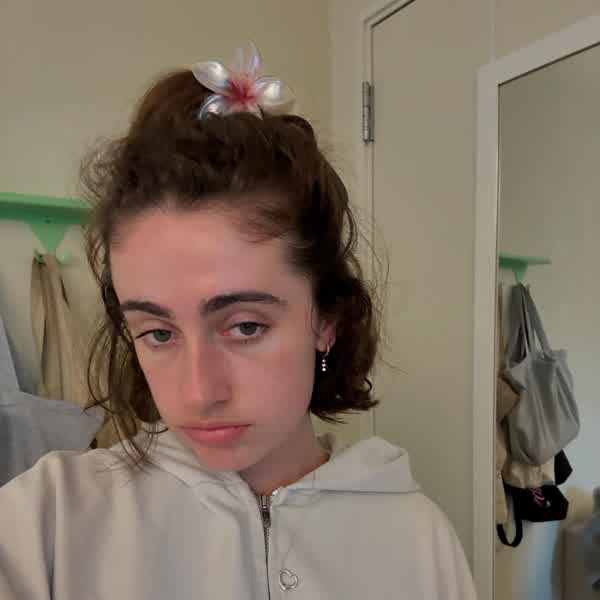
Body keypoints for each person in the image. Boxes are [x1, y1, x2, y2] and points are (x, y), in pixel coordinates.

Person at [0, 42, 477, 599]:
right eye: (158, 333)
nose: (200, 391)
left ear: (326, 318)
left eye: (245, 326)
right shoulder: (47, 523)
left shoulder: (418, 540)